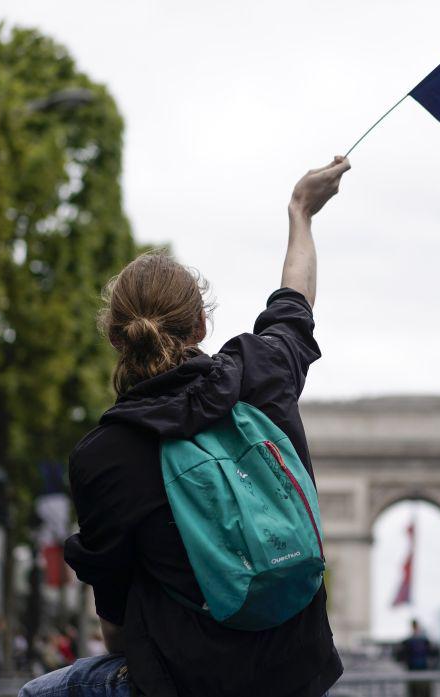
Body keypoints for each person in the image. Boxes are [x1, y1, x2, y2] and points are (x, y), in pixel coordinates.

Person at [19, 156, 350, 697]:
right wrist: (301, 213)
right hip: (297, 676)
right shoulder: (259, 375)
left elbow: (117, 631)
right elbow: (294, 304)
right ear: (201, 324)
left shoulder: (103, 455)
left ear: (115, 337)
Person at [395, 620, 435, 697]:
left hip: (419, 672)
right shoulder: (423, 641)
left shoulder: (412, 641)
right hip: (418, 672)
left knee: (417, 692)